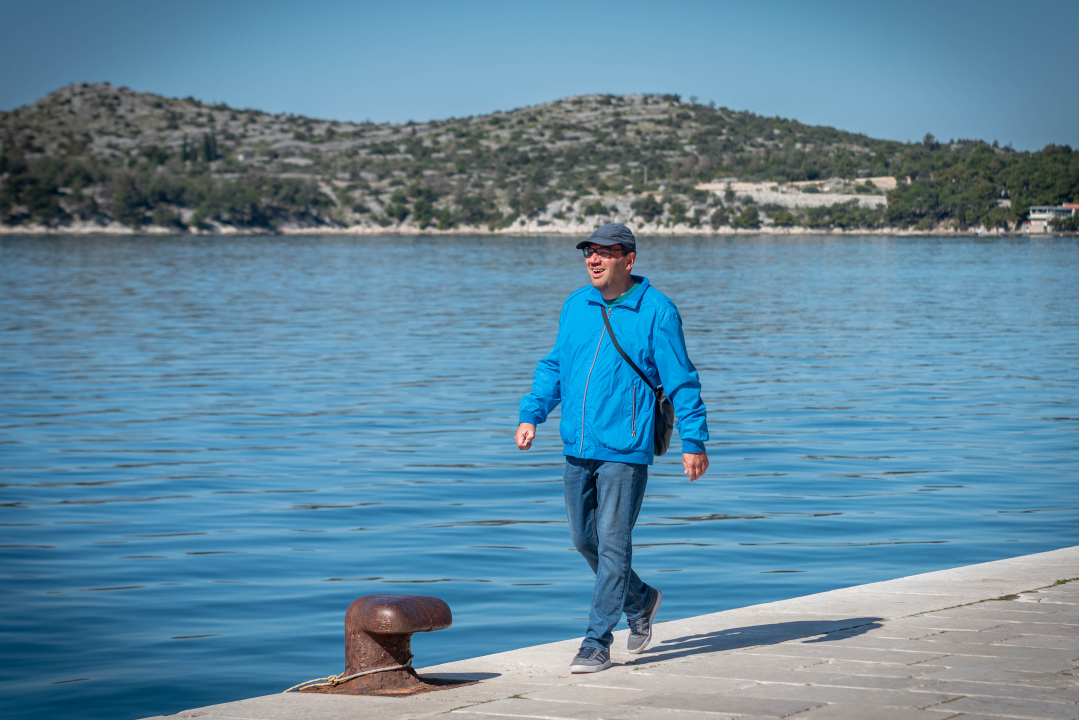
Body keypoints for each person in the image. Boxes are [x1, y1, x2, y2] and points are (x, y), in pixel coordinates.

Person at [515, 223, 709, 673]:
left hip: (625, 447)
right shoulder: (576, 305)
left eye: (606, 252)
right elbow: (555, 365)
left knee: (614, 545)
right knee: (585, 539)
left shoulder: (657, 311)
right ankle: (641, 600)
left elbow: (682, 381)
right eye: (589, 252)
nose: (594, 259)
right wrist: (532, 414)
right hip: (577, 446)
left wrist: (693, 441)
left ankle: (596, 642)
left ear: (629, 259)